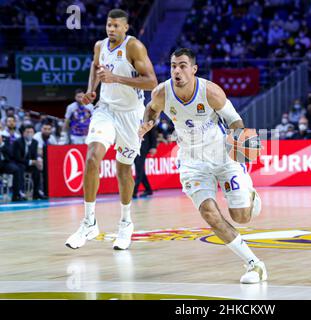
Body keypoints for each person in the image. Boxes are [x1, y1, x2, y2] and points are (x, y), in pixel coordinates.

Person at [138, 48, 266, 284]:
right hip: (191, 161)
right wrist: (147, 124)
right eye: (173, 65)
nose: (177, 70)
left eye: (183, 65)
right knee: (209, 213)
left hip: (222, 156)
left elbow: (235, 119)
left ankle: (249, 193)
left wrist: (239, 149)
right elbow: (151, 109)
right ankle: (254, 264)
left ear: (194, 69)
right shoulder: (161, 93)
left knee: (242, 217)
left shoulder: (210, 91)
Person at [65, 9, 158, 250]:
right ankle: (89, 222)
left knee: (124, 170)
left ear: (126, 28)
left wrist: (116, 78)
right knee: (92, 156)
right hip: (105, 109)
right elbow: (95, 68)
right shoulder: (99, 46)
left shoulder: (134, 47)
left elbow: (151, 82)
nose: (111, 29)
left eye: (116, 26)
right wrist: (91, 89)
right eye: (108, 25)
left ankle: (126, 223)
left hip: (130, 114)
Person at [12, 125, 45, 200]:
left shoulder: (35, 142)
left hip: (29, 164)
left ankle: (36, 192)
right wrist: (31, 161)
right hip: (18, 163)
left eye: (31, 132)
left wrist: (37, 161)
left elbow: (34, 156)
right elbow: (17, 158)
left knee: (37, 168)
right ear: (23, 133)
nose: (29, 133)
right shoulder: (17, 142)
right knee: (20, 167)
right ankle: (20, 192)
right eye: (27, 132)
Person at [33, 119, 57, 197]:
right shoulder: (37, 136)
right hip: (38, 159)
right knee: (42, 164)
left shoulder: (52, 138)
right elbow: (38, 152)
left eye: (49, 129)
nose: (47, 131)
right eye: (45, 129)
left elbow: (57, 150)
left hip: (50, 160)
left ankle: (55, 189)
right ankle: (42, 190)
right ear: (41, 129)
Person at [133, 127, 157, 199]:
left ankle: (133, 191)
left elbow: (152, 132)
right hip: (133, 146)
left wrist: (153, 146)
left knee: (139, 168)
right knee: (140, 170)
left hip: (143, 146)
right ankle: (148, 189)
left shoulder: (146, 117)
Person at [0, 134, 25, 201]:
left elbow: (10, 153)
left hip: (5, 163)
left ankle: (16, 195)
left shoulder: (6, 139)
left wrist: (2, 144)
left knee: (16, 170)